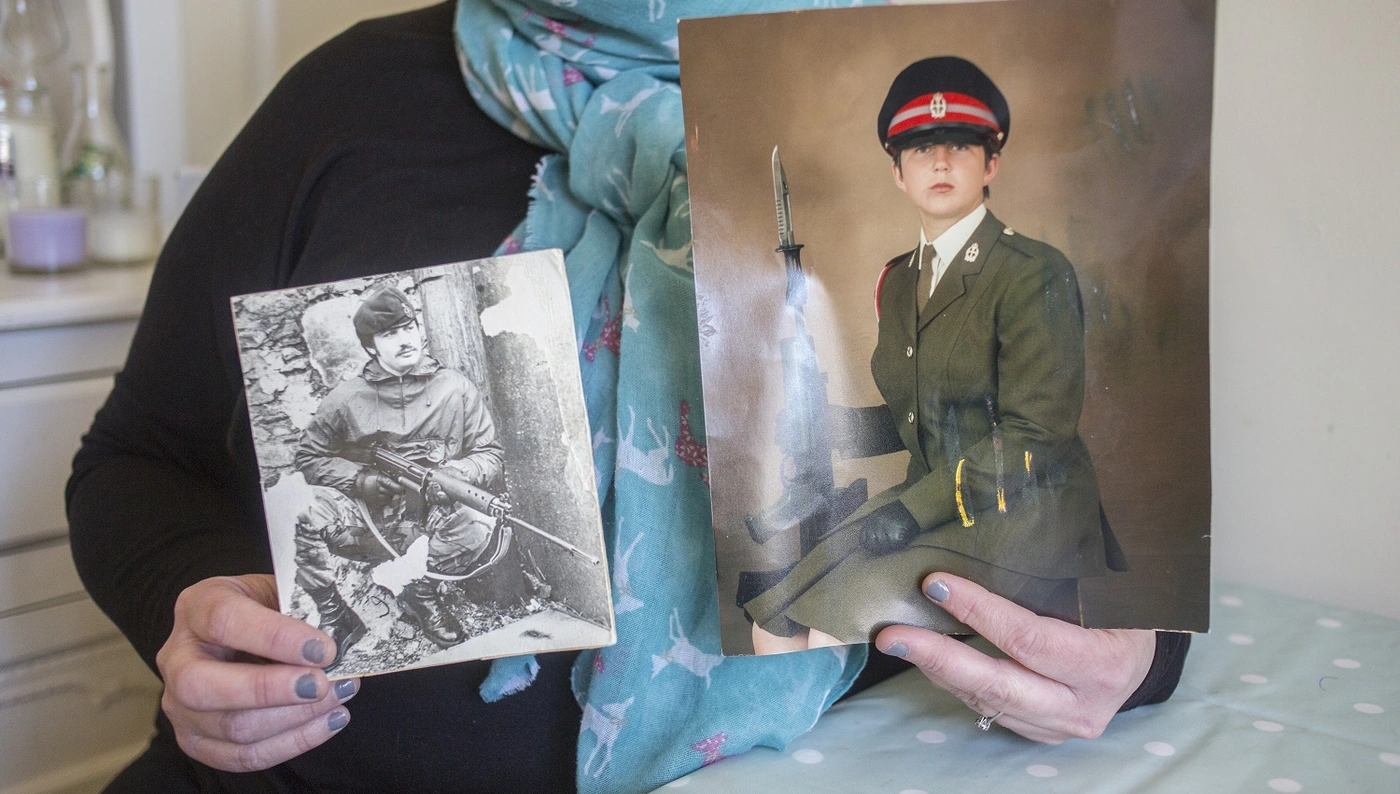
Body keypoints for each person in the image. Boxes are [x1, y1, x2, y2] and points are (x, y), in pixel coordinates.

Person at [65, 5, 1186, 791]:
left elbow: (1081, 495)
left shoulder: (917, 119)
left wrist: (1136, 657)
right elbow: (134, 455)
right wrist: (185, 603)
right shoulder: (345, 101)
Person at [748, 56, 1129, 654]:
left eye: (960, 145)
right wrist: (831, 426)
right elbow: (922, 414)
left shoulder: (1033, 274)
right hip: (933, 503)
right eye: (923, 150)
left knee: (823, 624)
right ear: (899, 172)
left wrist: (913, 513)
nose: (943, 161)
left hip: (1020, 512)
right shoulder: (898, 282)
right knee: (773, 619)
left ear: (991, 164)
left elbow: (1037, 437)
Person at [292, 282, 506, 658]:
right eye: (390, 334)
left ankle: (418, 590)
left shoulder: (456, 389)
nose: (405, 340)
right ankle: (337, 615)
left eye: (409, 329)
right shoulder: (345, 399)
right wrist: (360, 480)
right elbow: (309, 458)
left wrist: (458, 474)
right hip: (370, 519)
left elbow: (490, 454)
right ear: (371, 346)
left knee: (480, 523)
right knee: (299, 508)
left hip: (435, 517)